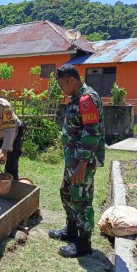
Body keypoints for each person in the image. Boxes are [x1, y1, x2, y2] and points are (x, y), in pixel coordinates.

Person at [48, 64, 105, 257]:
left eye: (62, 85)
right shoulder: (77, 98)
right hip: (73, 160)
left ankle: (83, 243)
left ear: (71, 80)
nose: (62, 89)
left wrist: (81, 164)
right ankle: (71, 230)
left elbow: (91, 133)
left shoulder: (86, 98)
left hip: (83, 161)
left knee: (81, 199)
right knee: (66, 191)